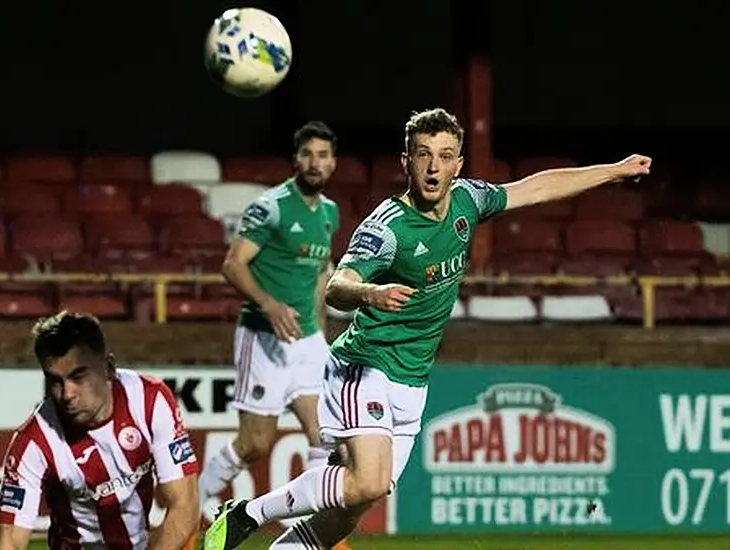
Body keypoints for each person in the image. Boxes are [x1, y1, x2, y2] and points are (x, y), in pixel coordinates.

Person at [204, 107, 652, 549]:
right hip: (366, 366)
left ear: (458, 163)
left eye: (444, 155)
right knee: (368, 481)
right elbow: (338, 285)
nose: (433, 166)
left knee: (351, 510)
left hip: (412, 381)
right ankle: (246, 513)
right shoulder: (388, 227)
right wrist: (369, 294)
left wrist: (612, 171)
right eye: (422, 154)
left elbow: (534, 187)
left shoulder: (469, 201)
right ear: (407, 162)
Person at [198, 122, 340, 520]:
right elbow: (233, 264)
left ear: (333, 163)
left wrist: (321, 336)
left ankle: (315, 530)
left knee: (324, 437)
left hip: (308, 342)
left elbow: (319, 276)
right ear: (296, 159)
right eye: (308, 154)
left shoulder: (330, 212)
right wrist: (269, 304)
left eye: (323, 155)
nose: (315, 162)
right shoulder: (271, 206)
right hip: (263, 339)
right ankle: (191, 504)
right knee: (256, 443)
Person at [0, 311, 200, 550]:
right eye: (55, 381)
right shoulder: (33, 441)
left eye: (78, 376)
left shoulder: (150, 400)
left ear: (108, 368)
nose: (67, 394)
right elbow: (9, 542)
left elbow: (185, 506)